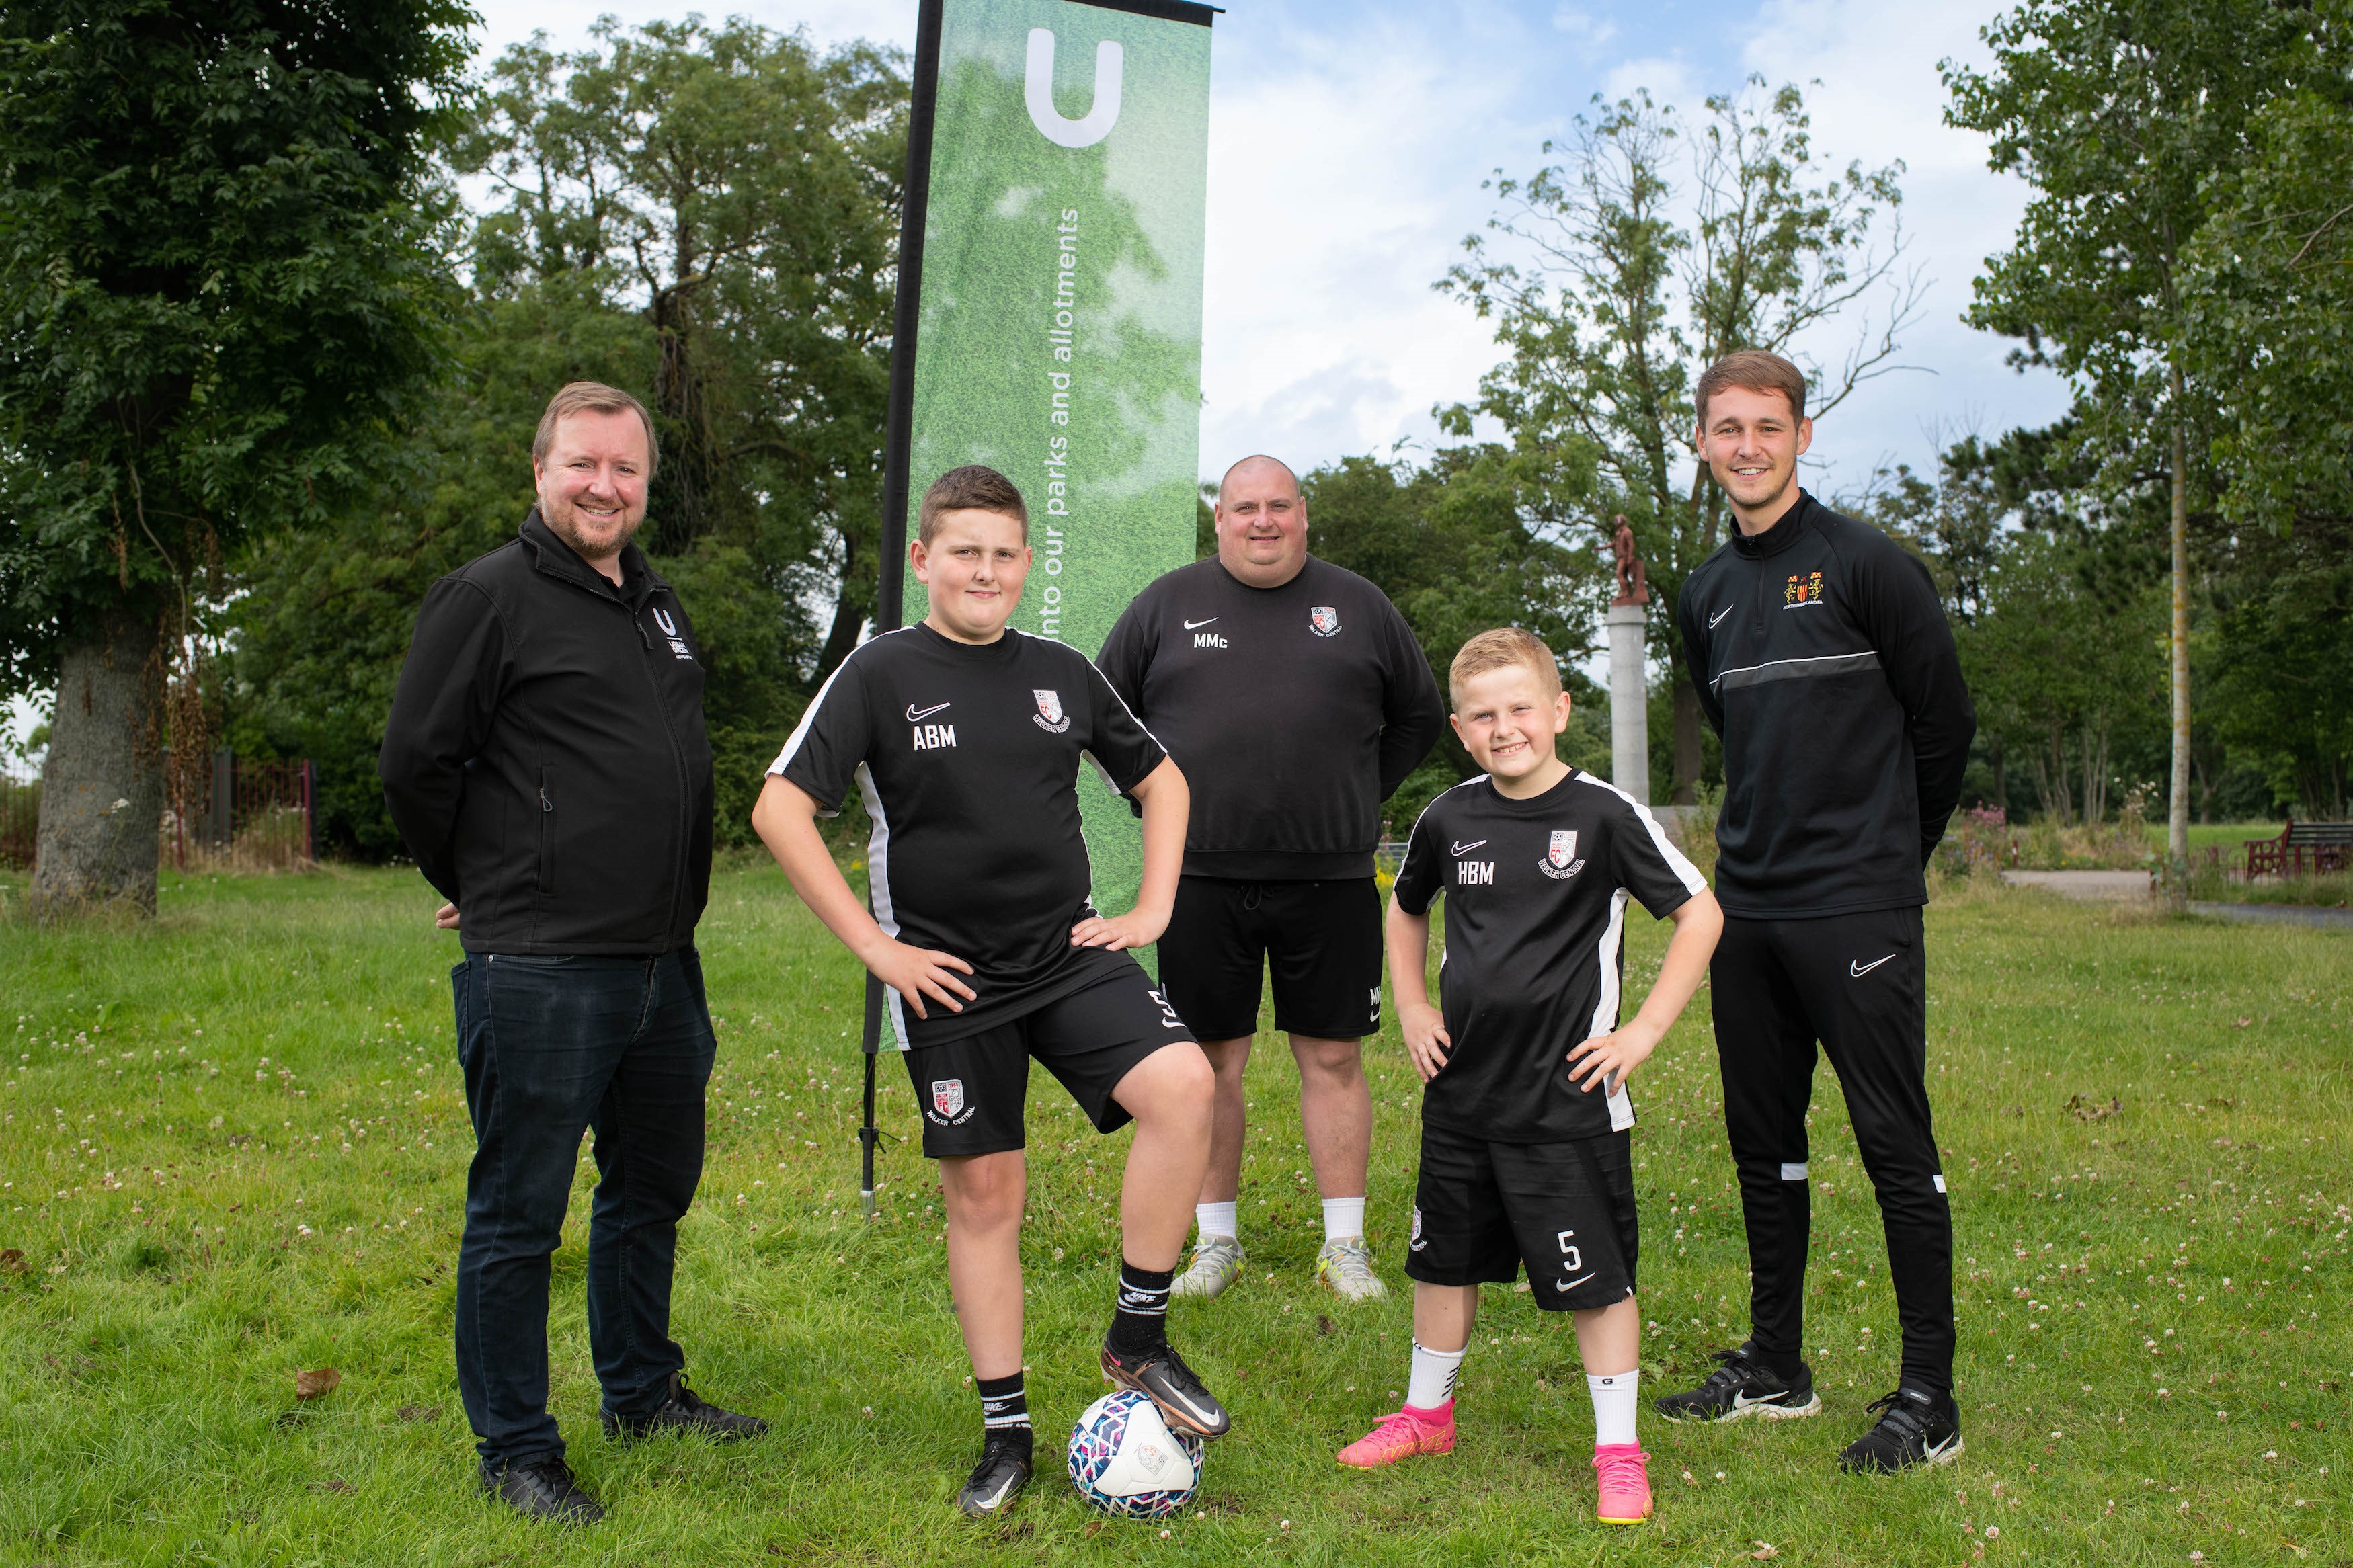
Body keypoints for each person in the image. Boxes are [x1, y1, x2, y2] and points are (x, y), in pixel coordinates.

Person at [750, 464, 1228, 1520]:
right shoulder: (878, 674)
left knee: (1186, 1086)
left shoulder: (1059, 669)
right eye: (964, 550)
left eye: (1005, 553)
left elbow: (1163, 779)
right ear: (923, 560)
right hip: (948, 980)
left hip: (1066, 955)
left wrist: (1151, 907)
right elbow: (781, 809)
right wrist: (881, 952)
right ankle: (1005, 1430)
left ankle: (1138, 1336)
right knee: (986, 1201)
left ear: (1025, 565)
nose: (986, 570)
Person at [380, 382, 767, 1528]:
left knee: (651, 1188)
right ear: (539, 470)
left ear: (647, 484)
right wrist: (484, 886)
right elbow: (416, 764)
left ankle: (642, 1393)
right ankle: (515, 1447)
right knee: (520, 1211)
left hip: (662, 960)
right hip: (543, 963)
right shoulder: (486, 598)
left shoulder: (655, 603)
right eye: (583, 464)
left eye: (627, 470)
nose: (606, 486)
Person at [1660, 349, 1976, 1473]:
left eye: (1767, 425)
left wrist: (1888, 857)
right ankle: (1777, 1365)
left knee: (1895, 1142)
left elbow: (1943, 727)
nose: (1747, 445)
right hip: (1746, 908)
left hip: (1858, 906)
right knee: (1763, 1143)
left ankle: (1927, 1396)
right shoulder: (1702, 594)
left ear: (1802, 434)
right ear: (1701, 442)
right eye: (1726, 428)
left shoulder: (1869, 566)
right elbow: (1740, 735)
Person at [1335, 628, 1720, 1526]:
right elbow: (1403, 908)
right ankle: (1427, 1416)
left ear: (1557, 712)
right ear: (1463, 731)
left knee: (1599, 1280)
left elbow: (1701, 915)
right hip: (1463, 1095)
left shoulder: (1605, 814)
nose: (1504, 728)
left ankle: (1618, 1449)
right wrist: (1416, 1010)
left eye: (1520, 709)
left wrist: (1644, 1031)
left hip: (1569, 1102)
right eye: (1483, 716)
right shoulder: (1447, 817)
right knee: (1443, 1262)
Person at [1095, 454, 1445, 1303]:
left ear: (1302, 513)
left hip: (1328, 878)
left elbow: (1420, 715)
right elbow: (1104, 712)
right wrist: (1156, 803)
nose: (1262, 520)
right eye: (1244, 506)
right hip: (1199, 878)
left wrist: (1354, 791)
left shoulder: (1357, 604)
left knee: (1330, 1056)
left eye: (1277, 506)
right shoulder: (1166, 604)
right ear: (1217, 517)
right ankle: (1216, 1243)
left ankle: (1344, 1245)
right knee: (1210, 1061)